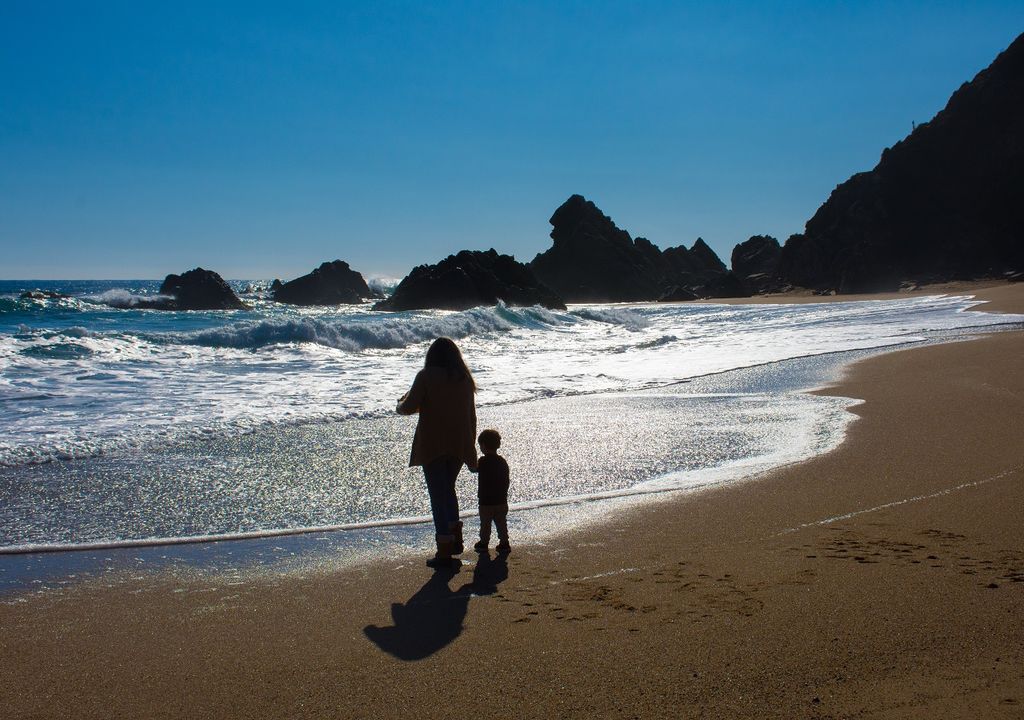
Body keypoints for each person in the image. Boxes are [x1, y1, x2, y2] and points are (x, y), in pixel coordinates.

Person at [397, 337, 478, 568]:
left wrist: (398, 404)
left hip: (433, 443)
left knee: (437, 495)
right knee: (448, 490)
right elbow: (471, 416)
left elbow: (409, 406)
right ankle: (455, 538)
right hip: (458, 443)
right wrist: (470, 448)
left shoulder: (426, 376)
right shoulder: (464, 379)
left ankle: (444, 548)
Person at [471, 428, 511, 553]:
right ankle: (504, 542)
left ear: (483, 445)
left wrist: (468, 456)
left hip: (486, 501)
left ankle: (484, 543)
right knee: (501, 523)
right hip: (501, 499)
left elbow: (473, 469)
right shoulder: (502, 461)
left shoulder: (482, 461)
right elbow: (506, 479)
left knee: (485, 524)